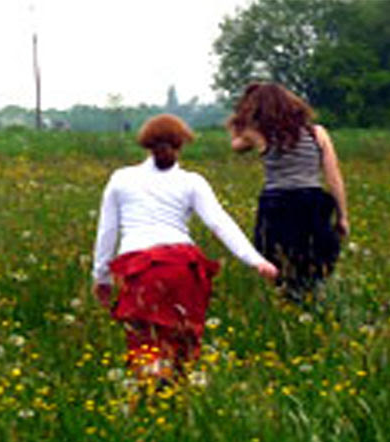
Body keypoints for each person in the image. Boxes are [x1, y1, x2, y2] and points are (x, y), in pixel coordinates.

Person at [91, 114, 278, 380]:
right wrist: (256, 260)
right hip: (184, 268)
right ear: (181, 145)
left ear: (146, 144)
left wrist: (101, 277)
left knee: (145, 344)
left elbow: (107, 232)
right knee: (182, 344)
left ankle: (149, 403)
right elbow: (220, 224)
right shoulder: (192, 182)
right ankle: (179, 403)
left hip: (139, 270)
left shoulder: (120, 179)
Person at [227, 82, 349, 298]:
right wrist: (342, 217)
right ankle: (312, 304)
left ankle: (289, 304)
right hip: (313, 203)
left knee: (279, 265)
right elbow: (334, 177)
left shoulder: (257, 134)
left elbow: (235, 146)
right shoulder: (317, 132)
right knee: (314, 262)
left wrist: (239, 119)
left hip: (278, 205)